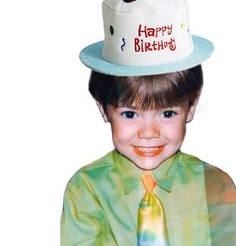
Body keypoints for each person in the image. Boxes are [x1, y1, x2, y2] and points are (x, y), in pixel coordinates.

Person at [61, 67, 236, 245]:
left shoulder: (215, 184)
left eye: (167, 113)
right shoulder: (86, 189)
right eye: (129, 114)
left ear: (191, 107)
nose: (149, 133)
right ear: (103, 109)